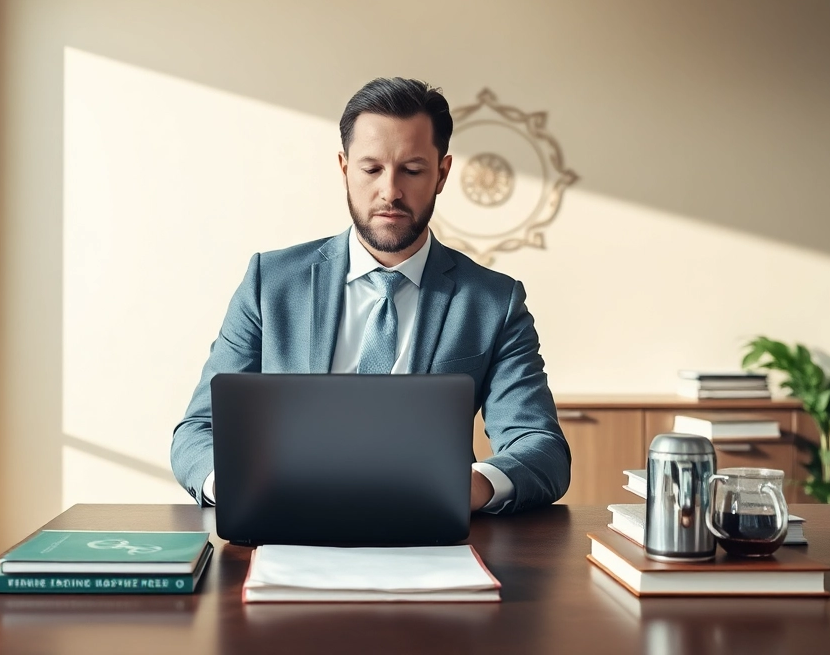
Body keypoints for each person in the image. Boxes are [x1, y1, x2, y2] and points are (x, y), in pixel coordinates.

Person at [170, 77, 570, 514]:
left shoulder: (493, 302)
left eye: (412, 170)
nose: (390, 191)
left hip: (428, 529)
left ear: (442, 174)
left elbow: (541, 446)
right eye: (371, 169)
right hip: (287, 522)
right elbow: (199, 429)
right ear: (344, 168)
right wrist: (234, 486)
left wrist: (474, 485)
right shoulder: (270, 283)